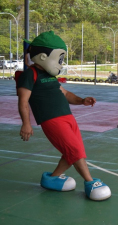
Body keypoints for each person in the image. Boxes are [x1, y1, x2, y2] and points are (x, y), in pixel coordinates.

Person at [17, 31, 111, 201]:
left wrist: (82, 100)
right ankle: (90, 182)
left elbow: (65, 93)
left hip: (68, 117)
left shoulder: (50, 76)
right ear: (44, 56)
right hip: (51, 120)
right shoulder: (30, 75)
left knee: (73, 151)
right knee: (75, 151)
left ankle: (52, 178)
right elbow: (23, 100)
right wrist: (26, 123)